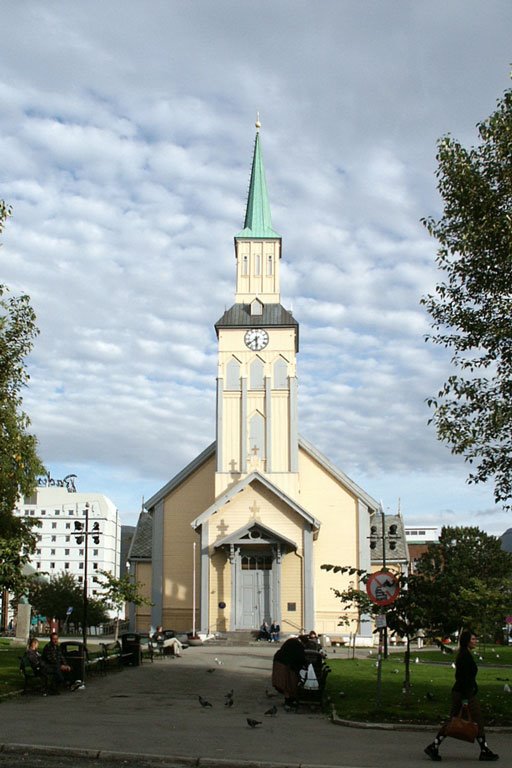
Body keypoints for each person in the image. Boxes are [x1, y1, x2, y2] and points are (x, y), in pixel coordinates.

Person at [424, 629, 499, 762]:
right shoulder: (464, 656)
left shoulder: (465, 654)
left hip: (463, 692)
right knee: (475, 721)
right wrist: (465, 699)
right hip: (464, 694)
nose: (475, 641)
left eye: (476, 639)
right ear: (466, 641)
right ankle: (484, 750)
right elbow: (463, 678)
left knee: (457, 721)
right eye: (473, 639)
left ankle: (434, 746)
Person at [271, 634, 308, 709]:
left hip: (279, 661)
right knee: (288, 682)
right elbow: (300, 658)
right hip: (284, 664)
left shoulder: (292, 641)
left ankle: (289, 700)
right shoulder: (298, 645)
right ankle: (289, 701)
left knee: (284, 682)